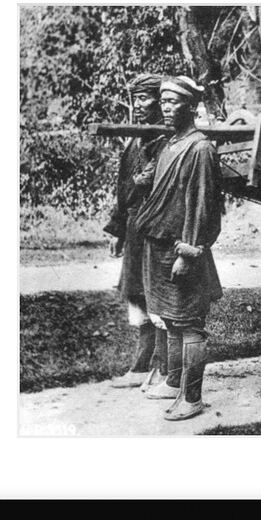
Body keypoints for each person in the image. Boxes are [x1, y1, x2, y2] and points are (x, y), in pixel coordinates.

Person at [133, 76, 224, 421]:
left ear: (191, 107)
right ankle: (173, 381)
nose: (167, 108)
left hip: (182, 251)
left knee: (189, 324)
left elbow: (201, 207)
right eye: (164, 102)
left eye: (174, 102)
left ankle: (192, 397)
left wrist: (188, 253)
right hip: (159, 248)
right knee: (170, 320)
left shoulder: (199, 149)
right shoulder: (170, 144)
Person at [105, 73, 170, 390]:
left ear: (161, 102)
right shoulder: (134, 141)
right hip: (134, 228)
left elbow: (152, 186)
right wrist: (118, 230)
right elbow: (123, 189)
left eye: (145, 98)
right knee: (136, 293)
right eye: (135, 98)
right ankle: (142, 365)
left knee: (156, 295)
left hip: (158, 227)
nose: (138, 105)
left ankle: (159, 366)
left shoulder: (170, 143)